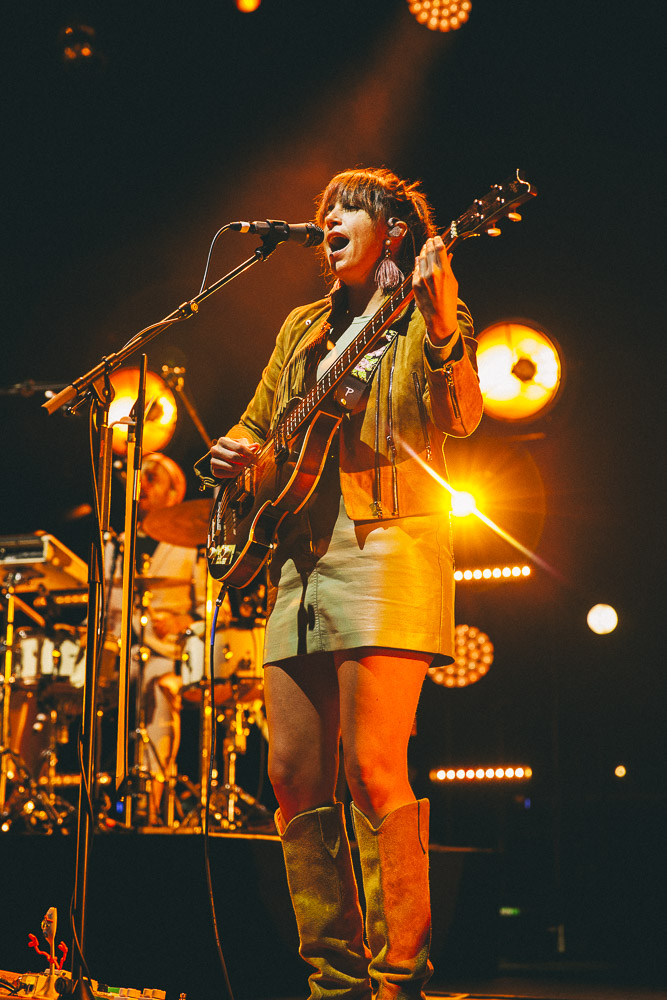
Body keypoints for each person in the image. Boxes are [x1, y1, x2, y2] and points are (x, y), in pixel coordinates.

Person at [208, 167, 483, 999]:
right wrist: (233, 453)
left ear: (392, 231)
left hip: (388, 543)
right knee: (292, 776)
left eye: (345, 211)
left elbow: (463, 414)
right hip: (295, 555)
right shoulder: (300, 326)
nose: (323, 220)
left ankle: (399, 977)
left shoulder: (425, 311)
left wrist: (440, 316)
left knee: (371, 767)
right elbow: (259, 425)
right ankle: (333, 981)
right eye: (320, 212)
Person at [106, 452, 207, 820]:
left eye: (153, 478)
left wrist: (180, 624)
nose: (142, 483)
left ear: (175, 493)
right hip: (117, 655)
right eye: (140, 476)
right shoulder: (116, 545)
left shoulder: (190, 544)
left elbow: (215, 611)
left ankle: (151, 802)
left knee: (157, 684)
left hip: (166, 654)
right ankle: (97, 796)